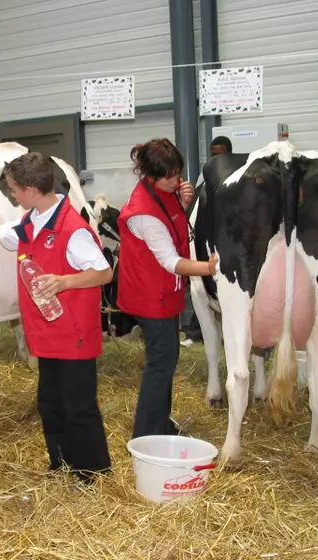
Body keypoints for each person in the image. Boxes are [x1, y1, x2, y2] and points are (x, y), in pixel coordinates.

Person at [0, 152, 113, 483]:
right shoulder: (32, 221)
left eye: (15, 190)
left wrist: (65, 281)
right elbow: (1, 233)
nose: (12, 195)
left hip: (73, 332)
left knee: (79, 406)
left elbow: (103, 273)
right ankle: (60, 463)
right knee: (50, 403)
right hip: (47, 332)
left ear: (32, 189)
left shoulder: (71, 229)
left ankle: (92, 473)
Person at [116, 138, 218, 439]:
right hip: (151, 296)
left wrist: (183, 202)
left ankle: (160, 424)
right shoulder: (144, 212)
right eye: (170, 176)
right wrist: (209, 268)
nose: (177, 180)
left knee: (167, 359)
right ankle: (146, 435)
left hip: (163, 292)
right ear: (150, 174)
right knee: (160, 364)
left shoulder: (163, 193)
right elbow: (171, 261)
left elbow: (174, 224)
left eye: (178, 173)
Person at [180, 135, 234, 344]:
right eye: (213, 154)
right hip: (205, 245)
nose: (216, 158)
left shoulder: (239, 178)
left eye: (220, 154)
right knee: (197, 287)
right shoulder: (205, 180)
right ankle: (193, 332)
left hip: (229, 246)